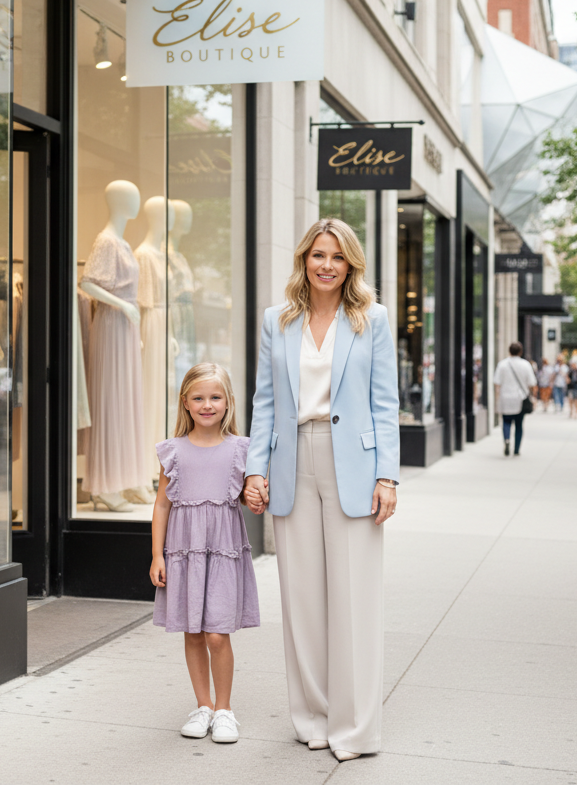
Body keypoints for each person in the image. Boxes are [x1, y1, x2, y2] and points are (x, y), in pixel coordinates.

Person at [242, 218, 399, 762]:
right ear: (304, 259)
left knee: (354, 598)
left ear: (350, 263)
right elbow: (265, 401)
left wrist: (388, 476)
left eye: (336, 256)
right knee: (301, 597)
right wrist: (254, 469)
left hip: (352, 466)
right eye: (317, 255)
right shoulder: (276, 321)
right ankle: (312, 716)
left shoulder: (371, 319)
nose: (326, 265)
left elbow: (385, 404)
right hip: (291, 463)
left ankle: (354, 729)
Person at [150, 363, 260, 744]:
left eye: (215, 397)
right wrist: (157, 555)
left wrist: (258, 496)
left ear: (228, 402)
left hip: (224, 551)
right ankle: (203, 706)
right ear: (185, 402)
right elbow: (162, 506)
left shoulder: (242, 450)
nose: (207, 405)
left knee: (217, 634)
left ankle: (225, 709)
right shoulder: (173, 451)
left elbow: (254, 496)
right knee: (193, 632)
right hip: (184, 552)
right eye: (198, 398)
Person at [494, 342, 538, 456]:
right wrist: (534, 397)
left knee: (506, 422)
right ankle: (516, 449)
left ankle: (507, 440)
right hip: (520, 398)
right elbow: (532, 383)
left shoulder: (502, 364)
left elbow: (497, 383)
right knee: (519, 425)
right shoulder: (526, 365)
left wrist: (497, 398)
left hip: (505, 398)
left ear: (509, 351)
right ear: (521, 352)